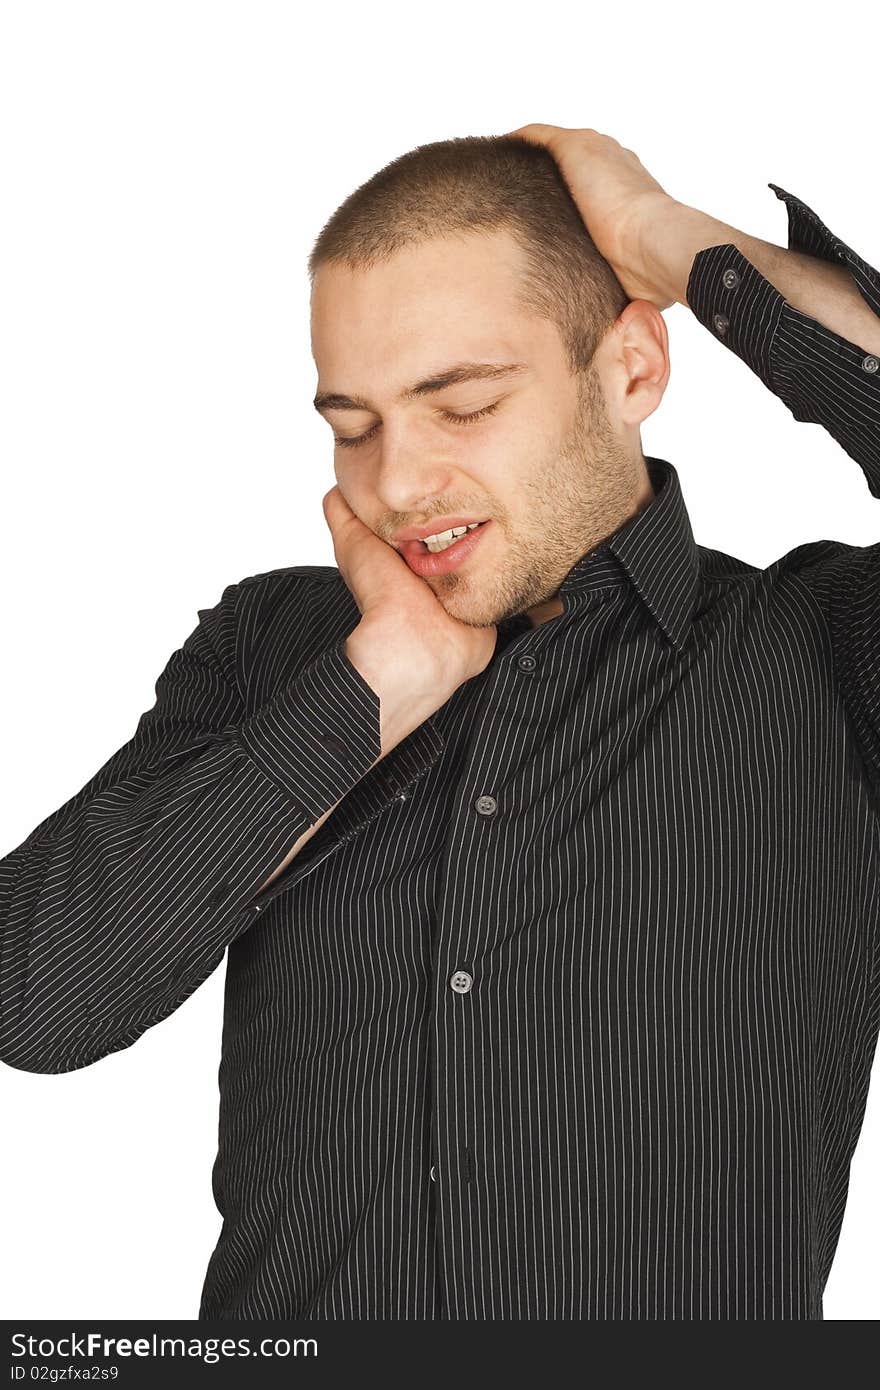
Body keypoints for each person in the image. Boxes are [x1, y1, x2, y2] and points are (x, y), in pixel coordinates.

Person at [1, 126, 878, 1320]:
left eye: (459, 404)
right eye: (352, 426)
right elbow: (40, 1001)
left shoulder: (822, 652)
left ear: (629, 370)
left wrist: (669, 242)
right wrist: (368, 689)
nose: (396, 483)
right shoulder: (273, 647)